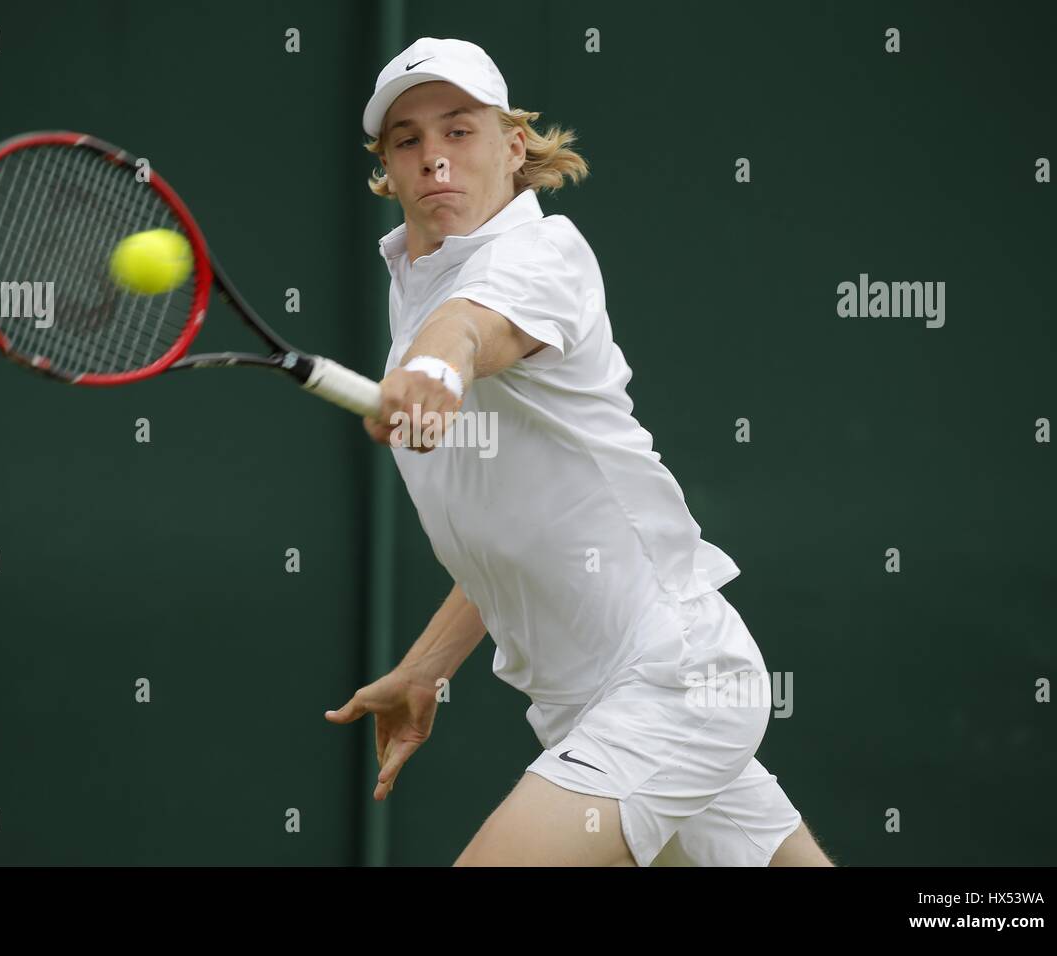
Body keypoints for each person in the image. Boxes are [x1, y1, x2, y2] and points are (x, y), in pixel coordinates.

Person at [326, 37, 832, 867]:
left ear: (512, 145)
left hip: (671, 678)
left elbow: (472, 328)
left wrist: (434, 364)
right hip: (593, 702)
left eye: (460, 131)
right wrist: (425, 667)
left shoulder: (538, 254)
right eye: (408, 141)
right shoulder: (415, 283)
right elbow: (515, 526)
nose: (435, 159)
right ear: (387, 166)